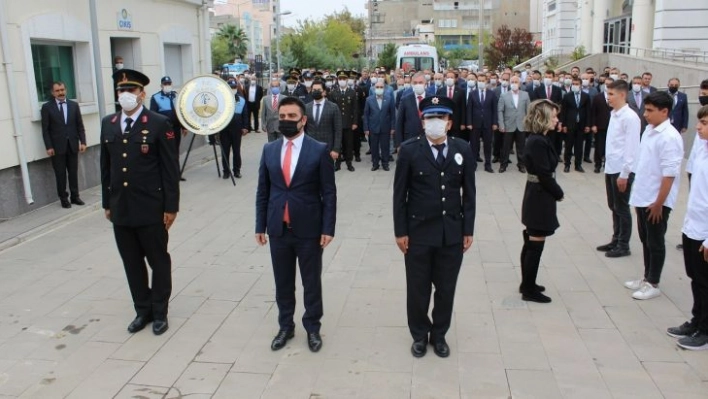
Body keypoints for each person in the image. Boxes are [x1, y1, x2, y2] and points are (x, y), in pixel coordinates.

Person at [393, 95, 476, 358]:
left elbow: (469, 194)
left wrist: (468, 230)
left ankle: (439, 334)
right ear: (422, 121)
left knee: (446, 288)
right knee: (417, 288)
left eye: (441, 118)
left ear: (450, 123)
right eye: (430, 118)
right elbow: (399, 195)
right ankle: (419, 334)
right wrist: (400, 231)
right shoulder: (409, 150)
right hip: (418, 233)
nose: (435, 122)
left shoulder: (463, 149)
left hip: (451, 232)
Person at [100, 69, 180, 335]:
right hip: (121, 207)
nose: (126, 95)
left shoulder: (158, 123)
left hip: (151, 207)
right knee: (131, 262)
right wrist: (107, 203)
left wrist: (171, 207)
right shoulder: (109, 123)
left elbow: (170, 168)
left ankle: (159, 312)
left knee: (158, 261)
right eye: (121, 91)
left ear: (142, 94)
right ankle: (142, 310)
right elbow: (106, 167)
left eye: (131, 91)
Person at [255, 96, 337, 353]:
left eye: (291, 117)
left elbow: (329, 192)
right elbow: (263, 191)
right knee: (283, 282)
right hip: (278, 228)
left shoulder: (318, 150)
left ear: (303, 120)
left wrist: (327, 228)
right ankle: (285, 326)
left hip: (309, 230)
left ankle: (312, 327)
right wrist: (260, 225)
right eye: (282, 117)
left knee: (311, 281)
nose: (286, 121)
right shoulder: (269, 150)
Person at [625, 91, 684, 300]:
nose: (645, 115)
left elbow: (669, 175)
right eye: (645, 110)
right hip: (643, 195)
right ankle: (646, 277)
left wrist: (659, 203)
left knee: (655, 241)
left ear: (664, 111)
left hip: (656, 201)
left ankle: (653, 282)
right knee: (645, 239)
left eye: (650, 111)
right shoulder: (650, 130)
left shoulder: (670, 137)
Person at [667, 104, 708, 350]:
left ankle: (705, 330)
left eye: (703, 124)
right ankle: (697, 320)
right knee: (695, 278)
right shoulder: (702, 149)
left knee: (705, 282)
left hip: (705, 232)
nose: (698, 128)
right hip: (693, 224)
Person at [519, 100, 564, 303]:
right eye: (553, 116)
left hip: (538, 194)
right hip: (539, 196)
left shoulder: (541, 138)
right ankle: (529, 289)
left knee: (531, 241)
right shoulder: (537, 141)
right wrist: (558, 192)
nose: (556, 120)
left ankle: (527, 283)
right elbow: (544, 173)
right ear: (543, 118)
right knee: (534, 244)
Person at [597, 80, 641, 258]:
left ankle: (624, 244)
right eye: (608, 94)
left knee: (622, 207)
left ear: (622, 94)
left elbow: (631, 148)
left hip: (623, 170)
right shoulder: (614, 114)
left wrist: (625, 174)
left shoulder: (630, 117)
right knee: (613, 205)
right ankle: (616, 239)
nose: (608, 97)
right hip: (611, 166)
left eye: (611, 94)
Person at [41, 81, 87, 209]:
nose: (60, 92)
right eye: (57, 90)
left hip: (72, 145)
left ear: (65, 90)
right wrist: (49, 146)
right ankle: (63, 198)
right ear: (52, 93)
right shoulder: (47, 107)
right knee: (60, 174)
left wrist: (83, 142)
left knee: (73, 172)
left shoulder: (73, 105)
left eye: (62, 89)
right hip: (57, 147)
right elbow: (45, 130)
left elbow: (79, 125)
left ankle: (75, 196)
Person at [149, 76, 187, 181]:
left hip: (175, 128)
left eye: (169, 84)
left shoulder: (176, 96)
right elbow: (153, 115)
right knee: (165, 152)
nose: (167, 86)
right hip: (164, 130)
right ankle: (165, 175)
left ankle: (176, 174)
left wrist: (184, 127)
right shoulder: (156, 97)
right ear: (161, 85)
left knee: (175, 151)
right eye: (165, 84)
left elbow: (181, 112)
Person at [305, 80, 342, 167]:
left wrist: (336, 149)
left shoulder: (333, 107)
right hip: (311, 148)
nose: (316, 92)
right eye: (314, 90)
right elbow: (304, 129)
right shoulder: (306, 107)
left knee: (327, 176)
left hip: (328, 148)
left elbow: (338, 130)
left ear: (324, 92)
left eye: (318, 90)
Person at [497, 76, 530, 173]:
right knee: (505, 147)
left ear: (519, 84)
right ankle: (503, 165)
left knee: (521, 147)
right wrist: (501, 124)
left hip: (521, 125)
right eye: (512, 82)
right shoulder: (504, 95)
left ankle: (521, 165)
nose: (514, 84)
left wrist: (528, 124)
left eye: (516, 82)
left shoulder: (525, 95)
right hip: (508, 125)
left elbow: (529, 111)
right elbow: (500, 111)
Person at [466, 74, 498, 173]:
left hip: (488, 124)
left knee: (488, 145)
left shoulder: (491, 94)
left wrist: (495, 123)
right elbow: (469, 109)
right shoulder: (472, 93)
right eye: (479, 80)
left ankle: (488, 165)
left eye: (483, 80)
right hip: (475, 124)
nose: (481, 82)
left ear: (486, 82)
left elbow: (494, 110)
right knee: (474, 146)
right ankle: (473, 164)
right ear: (477, 81)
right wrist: (469, 123)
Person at [329, 71, 360, 172]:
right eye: (340, 79)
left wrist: (355, 122)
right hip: (337, 124)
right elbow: (331, 110)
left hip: (348, 123)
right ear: (337, 80)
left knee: (348, 144)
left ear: (347, 80)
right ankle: (337, 164)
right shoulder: (333, 93)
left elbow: (355, 109)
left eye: (344, 79)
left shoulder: (352, 92)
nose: (342, 81)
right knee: (338, 144)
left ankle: (349, 163)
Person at [219, 80, 249, 178]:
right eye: (231, 87)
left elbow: (245, 114)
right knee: (225, 151)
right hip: (224, 129)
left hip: (237, 129)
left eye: (234, 87)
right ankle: (226, 171)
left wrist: (245, 127)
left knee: (236, 151)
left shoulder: (242, 99)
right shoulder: (221, 100)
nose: (233, 89)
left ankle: (237, 170)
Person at [363, 79, 396, 171]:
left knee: (385, 147)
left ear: (384, 88)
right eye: (377, 87)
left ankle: (385, 164)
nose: (379, 88)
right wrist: (366, 128)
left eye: (381, 87)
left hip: (386, 127)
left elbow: (393, 114)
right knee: (374, 147)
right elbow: (366, 115)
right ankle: (375, 164)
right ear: (374, 88)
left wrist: (393, 127)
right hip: (373, 127)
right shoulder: (369, 100)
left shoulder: (389, 99)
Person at [560, 77, 591, 173]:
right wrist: (563, 125)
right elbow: (563, 111)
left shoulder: (586, 96)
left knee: (579, 146)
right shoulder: (567, 96)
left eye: (577, 84)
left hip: (581, 125)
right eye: (573, 84)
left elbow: (588, 112)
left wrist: (587, 125)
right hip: (570, 125)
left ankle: (578, 165)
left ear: (581, 85)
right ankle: (567, 165)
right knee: (568, 146)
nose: (575, 86)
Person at [395, 72, 427, 148]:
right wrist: (399, 144)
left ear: (425, 83)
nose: (418, 85)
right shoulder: (405, 99)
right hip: (409, 139)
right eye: (415, 83)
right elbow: (399, 122)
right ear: (412, 84)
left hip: (428, 139)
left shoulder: (431, 98)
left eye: (420, 82)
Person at [589, 77, 614, 174]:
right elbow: (593, 112)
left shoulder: (616, 98)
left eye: (610, 84)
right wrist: (593, 124)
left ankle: (607, 165)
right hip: (600, 126)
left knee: (610, 147)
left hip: (612, 127)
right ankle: (597, 165)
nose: (608, 86)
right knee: (599, 146)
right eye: (606, 84)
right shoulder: (598, 97)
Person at [436, 71, 466, 140]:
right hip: (443, 121)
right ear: (445, 78)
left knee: (455, 140)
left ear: (455, 79)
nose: (449, 79)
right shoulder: (440, 91)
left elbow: (463, 108)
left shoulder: (461, 91)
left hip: (456, 122)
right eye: (448, 77)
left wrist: (463, 123)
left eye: (452, 77)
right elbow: (438, 107)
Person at [262, 78, 286, 142]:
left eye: (276, 86)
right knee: (271, 144)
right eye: (273, 86)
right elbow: (263, 113)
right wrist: (263, 124)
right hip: (270, 126)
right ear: (270, 87)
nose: (274, 88)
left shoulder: (284, 98)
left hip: (281, 126)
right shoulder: (266, 99)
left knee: (281, 144)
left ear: (279, 87)